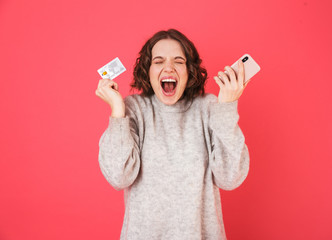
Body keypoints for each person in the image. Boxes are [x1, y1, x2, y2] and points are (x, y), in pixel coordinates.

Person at [95, 29, 250, 240]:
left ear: (189, 71)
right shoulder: (133, 110)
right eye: (158, 61)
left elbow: (230, 179)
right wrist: (116, 109)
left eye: (178, 61)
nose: (168, 67)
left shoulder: (209, 107)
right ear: (147, 71)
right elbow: (119, 177)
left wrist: (227, 107)